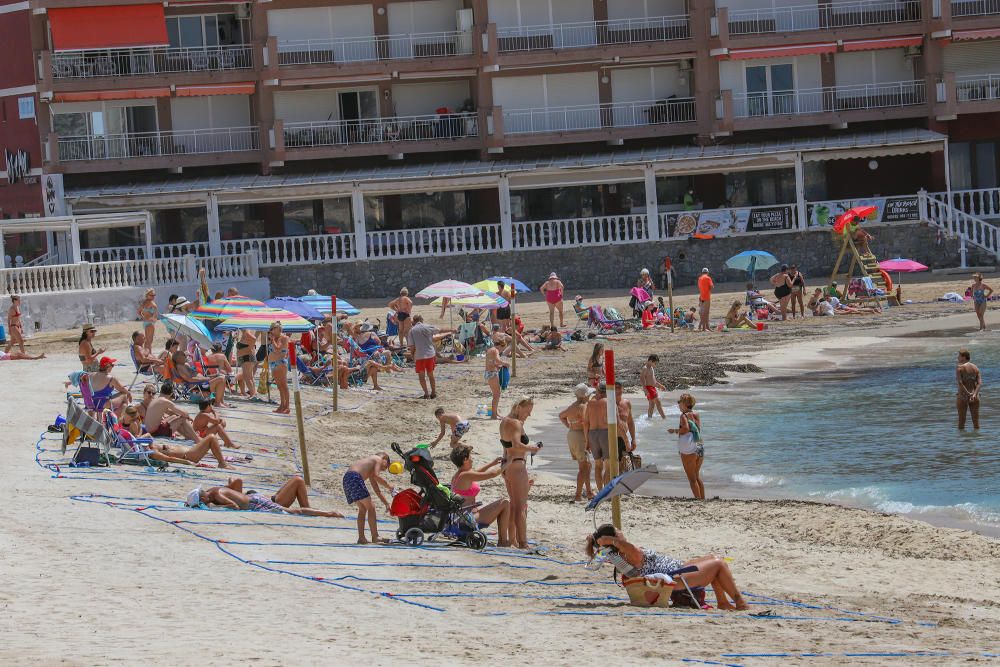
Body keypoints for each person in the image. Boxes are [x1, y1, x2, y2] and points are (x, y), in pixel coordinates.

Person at [585, 524, 748, 610]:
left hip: (677, 570)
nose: (621, 532)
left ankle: (723, 602)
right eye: (618, 531)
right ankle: (740, 603)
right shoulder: (628, 552)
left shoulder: (623, 554)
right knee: (719, 564)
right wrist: (608, 540)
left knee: (714, 558)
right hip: (676, 578)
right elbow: (622, 546)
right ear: (615, 538)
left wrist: (605, 540)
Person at [119, 406, 234, 469]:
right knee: (212, 437)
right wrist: (187, 462)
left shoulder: (149, 446)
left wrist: (139, 438)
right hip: (188, 456)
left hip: (189, 452)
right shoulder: (151, 452)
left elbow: (148, 435)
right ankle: (222, 463)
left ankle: (221, 461)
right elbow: (168, 459)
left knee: (211, 438)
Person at [499, 397, 540, 550]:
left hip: (508, 464)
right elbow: (516, 444)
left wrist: (503, 467)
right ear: (519, 407)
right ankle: (523, 543)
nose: (528, 415)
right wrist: (532, 448)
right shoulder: (516, 423)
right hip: (517, 465)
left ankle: (512, 540)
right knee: (521, 507)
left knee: (514, 505)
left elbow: (506, 445)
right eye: (528, 411)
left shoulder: (504, 421)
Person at [449, 446, 511, 546]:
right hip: (467, 520)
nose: (472, 459)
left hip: (462, 518)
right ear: (465, 459)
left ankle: (503, 540)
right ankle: (503, 542)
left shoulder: (459, 474)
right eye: (470, 457)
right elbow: (491, 474)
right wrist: (507, 463)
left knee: (503, 503)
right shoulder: (465, 475)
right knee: (505, 502)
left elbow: (477, 472)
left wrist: (493, 463)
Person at [187, 477, 342, 516]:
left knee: (295, 512)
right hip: (256, 497)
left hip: (256, 502)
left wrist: (215, 507)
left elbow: (233, 506)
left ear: (203, 499)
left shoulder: (216, 495)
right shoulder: (214, 490)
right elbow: (237, 482)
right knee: (297, 482)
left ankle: (329, 514)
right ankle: (314, 510)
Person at [342, 453, 394, 544]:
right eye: (387, 465)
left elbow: (377, 490)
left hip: (347, 478)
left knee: (362, 509)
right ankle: (375, 537)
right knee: (371, 507)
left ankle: (361, 538)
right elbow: (377, 476)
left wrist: (386, 503)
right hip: (354, 477)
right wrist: (388, 486)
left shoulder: (370, 468)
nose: (385, 469)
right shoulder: (378, 458)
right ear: (385, 458)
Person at [559, 383, 595, 501]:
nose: (590, 396)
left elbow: (561, 416)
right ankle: (578, 495)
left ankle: (589, 492)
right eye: (589, 394)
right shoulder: (583, 406)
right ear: (585, 396)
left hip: (572, 435)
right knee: (584, 467)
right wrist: (588, 442)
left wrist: (569, 425)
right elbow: (585, 424)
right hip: (580, 437)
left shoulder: (573, 406)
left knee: (586, 466)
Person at [668, 393, 704, 499]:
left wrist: (674, 430)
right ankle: (703, 500)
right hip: (699, 445)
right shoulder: (696, 414)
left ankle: (698, 501)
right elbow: (697, 430)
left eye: (679, 402)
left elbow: (686, 429)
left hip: (689, 449)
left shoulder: (683, 415)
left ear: (684, 404)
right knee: (697, 476)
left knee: (692, 479)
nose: (678, 404)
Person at [410, 314, 450, 399]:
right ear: (421, 320)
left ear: (414, 321)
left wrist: (412, 354)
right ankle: (433, 392)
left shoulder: (412, 330)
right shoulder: (428, 326)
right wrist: (451, 330)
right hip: (430, 354)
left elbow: (412, 346)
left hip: (420, 355)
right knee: (431, 375)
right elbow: (440, 330)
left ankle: (426, 394)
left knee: (421, 376)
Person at [583, 383, 612, 489]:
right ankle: (607, 491)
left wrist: (587, 441)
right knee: (608, 466)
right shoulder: (608, 402)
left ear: (598, 391)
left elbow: (585, 423)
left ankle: (600, 491)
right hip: (605, 433)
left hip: (592, 433)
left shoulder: (590, 403)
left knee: (598, 465)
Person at [267, 322, 290, 414]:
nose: (271, 330)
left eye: (273, 328)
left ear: (278, 329)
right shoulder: (274, 338)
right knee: (279, 386)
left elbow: (278, 349)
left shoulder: (283, 338)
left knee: (283, 385)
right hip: (273, 363)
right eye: (271, 328)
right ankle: (282, 405)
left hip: (280, 363)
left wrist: (272, 340)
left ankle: (287, 406)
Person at [956, 349, 982, 431]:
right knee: (976, 423)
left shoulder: (959, 368)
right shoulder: (975, 367)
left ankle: (962, 442)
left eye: (959, 356)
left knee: (961, 423)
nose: (958, 357)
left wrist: (968, 393)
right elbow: (979, 383)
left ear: (964, 357)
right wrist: (973, 394)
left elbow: (960, 383)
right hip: (975, 396)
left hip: (963, 396)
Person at [483, 343, 509, 418]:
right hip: (492, 374)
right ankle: (493, 415)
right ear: (501, 345)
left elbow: (491, 362)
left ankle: (495, 413)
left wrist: (497, 366)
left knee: (496, 394)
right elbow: (498, 360)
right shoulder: (495, 350)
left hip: (489, 373)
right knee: (496, 394)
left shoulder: (490, 350)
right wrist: (505, 364)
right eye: (503, 349)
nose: (502, 351)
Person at [640, 355, 667, 419]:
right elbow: (642, 379)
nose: (655, 365)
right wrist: (645, 389)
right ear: (650, 361)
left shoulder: (651, 368)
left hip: (652, 388)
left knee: (652, 405)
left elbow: (653, 380)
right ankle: (664, 418)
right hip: (648, 388)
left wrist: (660, 385)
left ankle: (649, 418)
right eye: (655, 363)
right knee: (658, 403)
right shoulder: (645, 368)